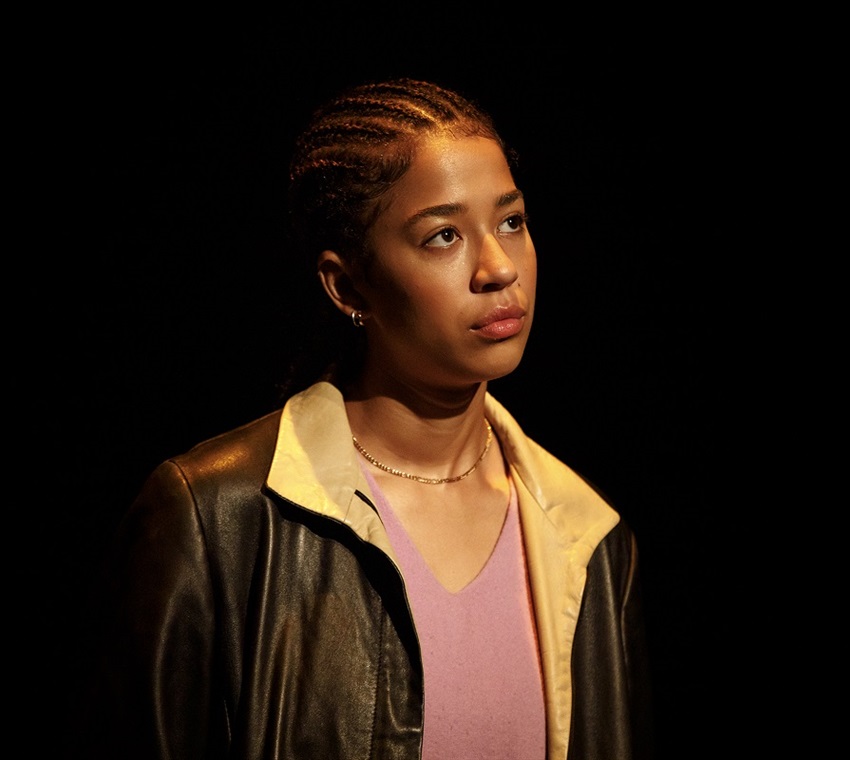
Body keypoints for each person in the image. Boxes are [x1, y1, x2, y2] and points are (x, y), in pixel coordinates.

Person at [73, 77, 652, 759]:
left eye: (511, 221)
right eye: (443, 236)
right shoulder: (215, 516)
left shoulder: (585, 535)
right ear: (348, 285)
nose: (498, 267)